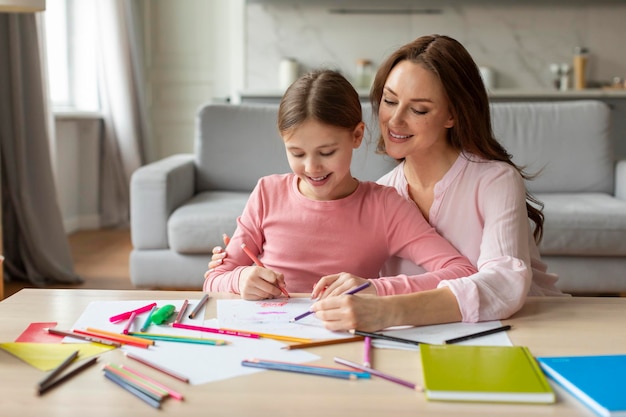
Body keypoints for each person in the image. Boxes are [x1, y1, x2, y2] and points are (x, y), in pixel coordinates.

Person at [209, 35, 564, 331]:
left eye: (418, 109)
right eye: (389, 101)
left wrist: (380, 300)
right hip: (429, 332)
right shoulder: (387, 190)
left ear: (453, 114)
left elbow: (503, 282)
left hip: (531, 325)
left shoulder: (494, 180)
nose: (394, 119)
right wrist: (235, 275)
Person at [204, 69, 477, 300]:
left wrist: (375, 288)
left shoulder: (385, 206)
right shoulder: (267, 193)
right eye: (297, 153)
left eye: (326, 153)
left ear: (357, 135)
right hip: (267, 336)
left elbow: (461, 271)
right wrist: (240, 279)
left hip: (346, 337)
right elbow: (213, 279)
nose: (312, 168)